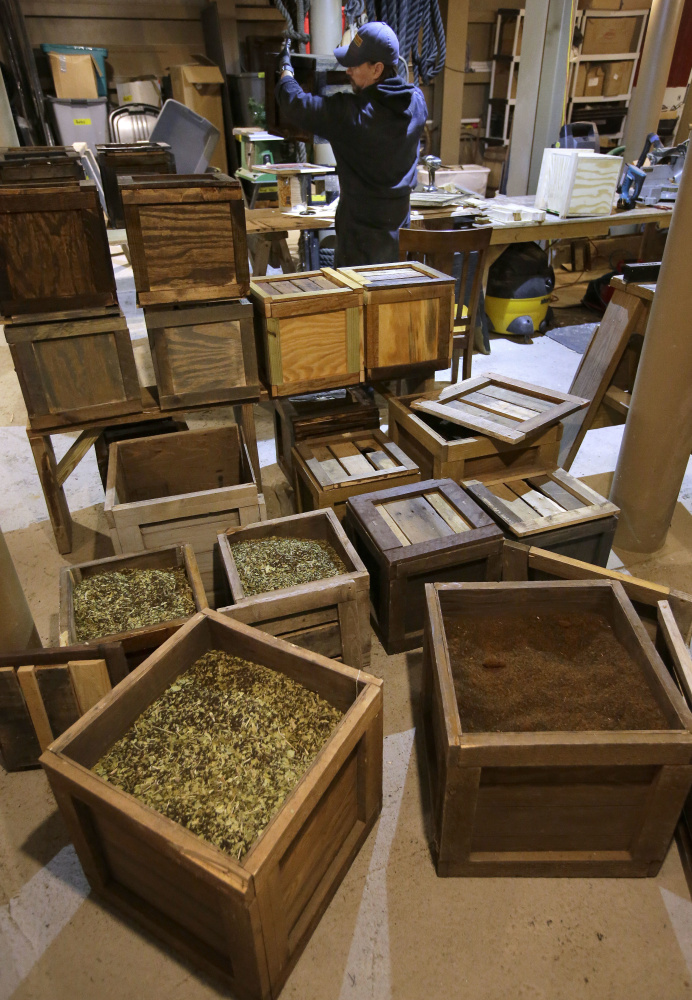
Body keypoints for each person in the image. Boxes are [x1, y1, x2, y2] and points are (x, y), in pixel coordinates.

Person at [275, 22, 427, 267]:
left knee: (357, 303)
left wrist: (285, 70)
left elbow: (294, 102)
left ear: (377, 69)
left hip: (358, 246)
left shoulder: (349, 115)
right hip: (399, 242)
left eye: (355, 65)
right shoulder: (417, 104)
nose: (347, 71)